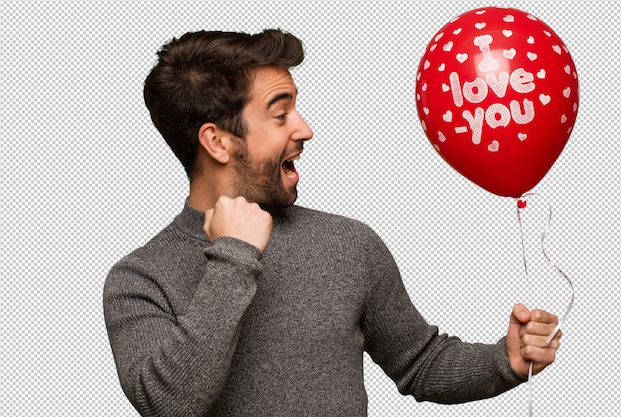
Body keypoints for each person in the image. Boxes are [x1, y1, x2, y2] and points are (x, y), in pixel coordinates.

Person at [103, 29, 562, 417]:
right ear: (217, 142)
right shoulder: (140, 278)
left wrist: (507, 359)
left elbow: (419, 362)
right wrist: (233, 259)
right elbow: (170, 404)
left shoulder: (348, 244)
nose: (304, 129)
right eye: (280, 114)